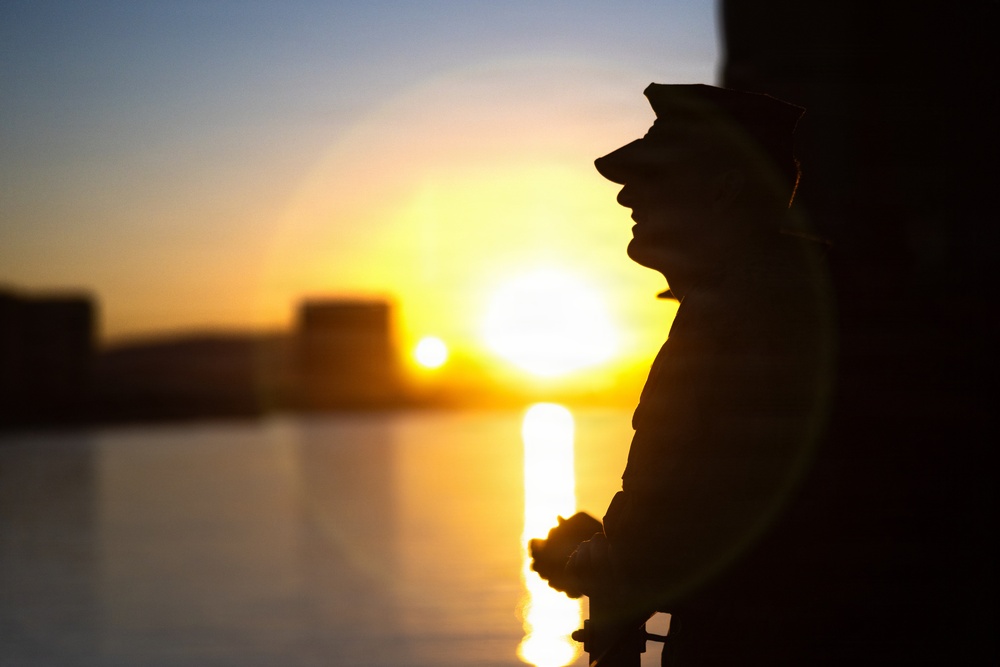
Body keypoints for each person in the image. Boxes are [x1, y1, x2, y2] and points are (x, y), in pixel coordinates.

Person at [530, 84, 834, 664]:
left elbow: (755, 536)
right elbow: (718, 508)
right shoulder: (785, 295)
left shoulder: (741, 315)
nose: (626, 197)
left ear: (724, 191)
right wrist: (611, 547)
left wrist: (607, 556)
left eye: (655, 177)